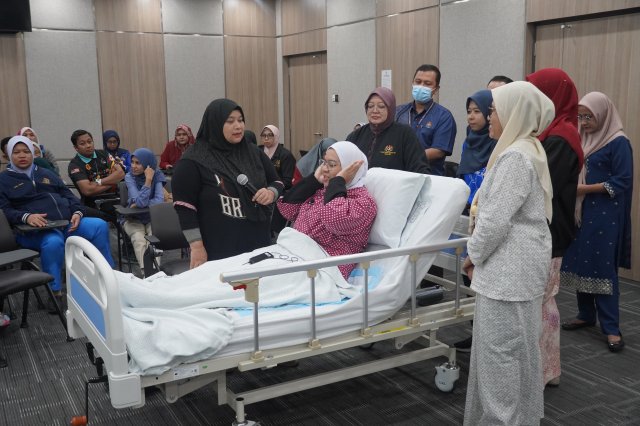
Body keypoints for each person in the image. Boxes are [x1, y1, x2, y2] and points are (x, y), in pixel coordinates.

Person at [462, 81, 554, 426]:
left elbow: (493, 222)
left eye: (493, 111)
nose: (489, 117)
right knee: (520, 354)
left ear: (515, 113)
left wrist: (473, 255)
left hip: (507, 274)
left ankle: (502, 421)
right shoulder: (529, 148)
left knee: (499, 358)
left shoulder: (515, 157)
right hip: (519, 270)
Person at [0, 136, 114, 310]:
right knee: (53, 242)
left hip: (65, 223)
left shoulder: (46, 173)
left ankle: (108, 278)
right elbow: (4, 210)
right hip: (33, 231)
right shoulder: (4, 180)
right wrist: (26, 217)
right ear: (9, 155)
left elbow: (69, 196)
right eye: (16, 152)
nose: (22, 155)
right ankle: (55, 292)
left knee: (99, 225)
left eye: (26, 151)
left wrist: (77, 212)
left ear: (33, 153)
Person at [559, 92, 633, 353]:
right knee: (582, 262)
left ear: (603, 114)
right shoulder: (582, 138)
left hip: (605, 214)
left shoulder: (618, 142)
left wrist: (585, 189)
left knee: (602, 266)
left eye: (589, 117)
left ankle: (612, 327)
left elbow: (622, 180)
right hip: (581, 212)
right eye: (580, 117)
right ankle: (585, 314)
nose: (584, 122)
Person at [172, 98, 284, 269]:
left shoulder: (253, 152)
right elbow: (185, 208)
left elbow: (277, 181)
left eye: (240, 120)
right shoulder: (193, 160)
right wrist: (196, 247)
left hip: (258, 242)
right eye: (230, 121)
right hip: (218, 248)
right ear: (215, 123)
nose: (238, 126)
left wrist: (271, 193)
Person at [526, 68, 584, 386]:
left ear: (552, 97)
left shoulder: (561, 138)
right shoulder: (552, 131)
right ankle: (547, 370)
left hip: (550, 231)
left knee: (542, 300)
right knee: (543, 301)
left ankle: (543, 371)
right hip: (547, 229)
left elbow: (540, 186)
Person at [277, 141, 377, 279]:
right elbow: (287, 209)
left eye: (332, 164)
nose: (324, 169)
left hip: (325, 269)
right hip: (295, 257)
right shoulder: (322, 191)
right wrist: (313, 180)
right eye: (324, 162)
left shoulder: (363, 202)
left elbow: (334, 219)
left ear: (349, 170)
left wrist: (338, 181)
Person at [346, 87, 430, 174]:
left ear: (390, 109)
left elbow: (420, 169)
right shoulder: (356, 135)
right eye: (370, 106)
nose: (375, 111)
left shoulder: (404, 134)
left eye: (381, 106)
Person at [395, 64, 457, 176]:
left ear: (436, 89)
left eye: (427, 84)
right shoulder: (398, 112)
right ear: (413, 83)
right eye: (418, 82)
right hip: (398, 175)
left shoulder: (444, 116)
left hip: (429, 177)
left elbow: (438, 151)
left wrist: (407, 157)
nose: (421, 86)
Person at [122, 148, 166, 271]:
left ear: (148, 164)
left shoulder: (157, 174)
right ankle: (146, 272)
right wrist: (148, 181)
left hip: (152, 217)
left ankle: (154, 272)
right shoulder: (129, 177)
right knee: (139, 239)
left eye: (138, 163)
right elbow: (141, 202)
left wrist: (140, 203)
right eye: (132, 162)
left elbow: (159, 201)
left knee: (154, 238)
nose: (133, 166)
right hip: (132, 218)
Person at [457, 89, 498, 209]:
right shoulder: (469, 142)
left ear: (489, 113)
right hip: (465, 206)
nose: (471, 117)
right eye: (469, 111)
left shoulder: (497, 144)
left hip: (487, 207)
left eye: (477, 111)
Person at [67, 129, 125, 213]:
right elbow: (88, 190)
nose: (88, 145)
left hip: (116, 199)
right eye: (82, 144)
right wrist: (114, 181)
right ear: (76, 148)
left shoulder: (104, 154)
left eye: (89, 142)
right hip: (93, 206)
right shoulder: (74, 165)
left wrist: (98, 182)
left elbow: (121, 173)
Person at [260, 125, 296, 236]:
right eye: (264, 135)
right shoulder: (258, 151)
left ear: (276, 137)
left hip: (279, 191)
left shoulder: (285, 155)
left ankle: (272, 232)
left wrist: (272, 189)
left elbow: (287, 181)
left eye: (270, 135)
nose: (266, 138)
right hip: (260, 188)